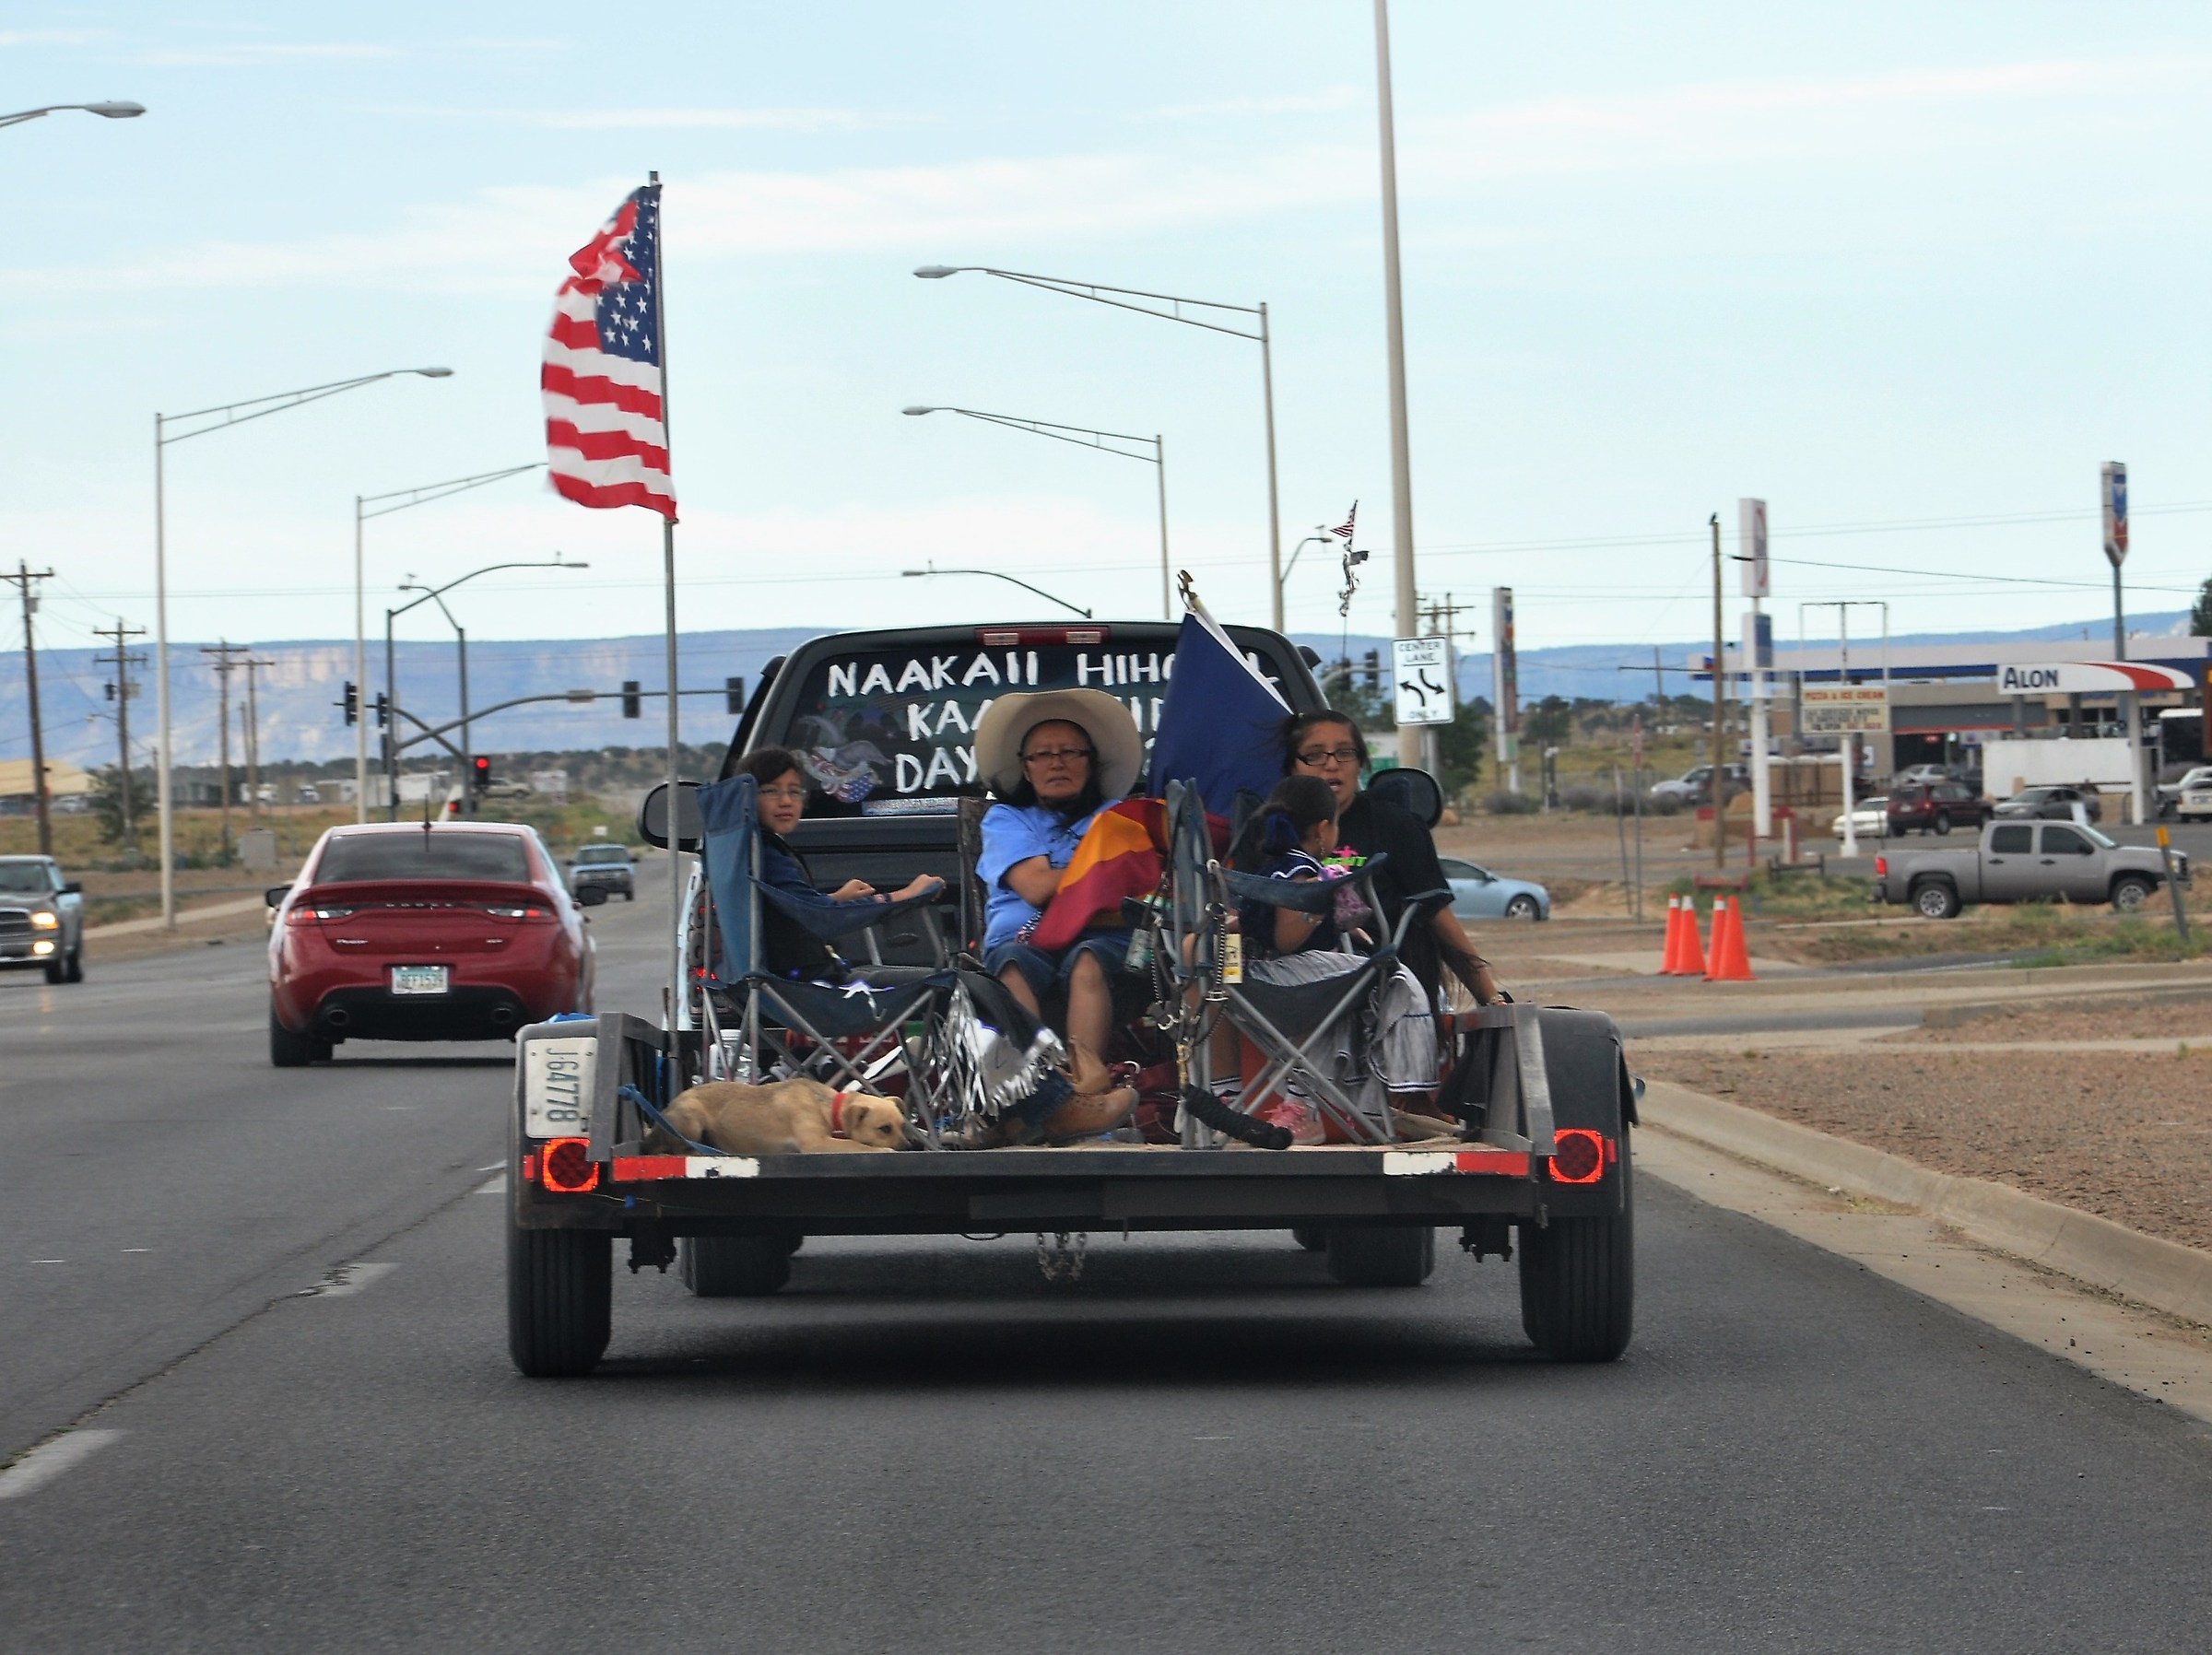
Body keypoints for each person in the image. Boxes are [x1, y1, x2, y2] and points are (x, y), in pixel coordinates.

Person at [1216, 771, 1438, 1142]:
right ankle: (1303, 1106)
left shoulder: (1271, 868)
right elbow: (1288, 939)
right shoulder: (1304, 873)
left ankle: (1231, 1097)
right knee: (1365, 983)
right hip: (1286, 978)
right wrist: (1321, 903)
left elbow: (1262, 921)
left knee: (1327, 997)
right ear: (1323, 829)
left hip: (1251, 983)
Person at [1279, 710, 1505, 1008]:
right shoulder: (1272, 828)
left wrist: (1491, 999)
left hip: (1386, 988)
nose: (1332, 764)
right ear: (1292, 766)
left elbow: (1437, 915)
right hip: (1291, 990)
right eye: (1315, 754)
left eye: (1345, 752)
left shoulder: (1395, 825)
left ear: (1360, 762)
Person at [971, 688, 1147, 1072]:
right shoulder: (1006, 818)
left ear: (1091, 762)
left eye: (1070, 752)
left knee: (1089, 960)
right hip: (1021, 943)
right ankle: (1041, 1085)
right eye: (1043, 755)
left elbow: (1131, 888)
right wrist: (1097, 874)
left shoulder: (1120, 816)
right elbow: (1035, 888)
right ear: (1026, 767)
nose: (1057, 763)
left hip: (1103, 940)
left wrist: (1071, 879)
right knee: (1013, 963)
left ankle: (1085, 1083)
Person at [736, 746, 942, 980]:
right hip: (809, 987)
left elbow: (793, 909)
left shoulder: (748, 848)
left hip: (787, 983)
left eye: (794, 791)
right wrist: (904, 896)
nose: (786, 801)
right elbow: (822, 919)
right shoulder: (766, 854)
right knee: (958, 986)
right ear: (747, 798)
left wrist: (836, 899)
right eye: (771, 791)